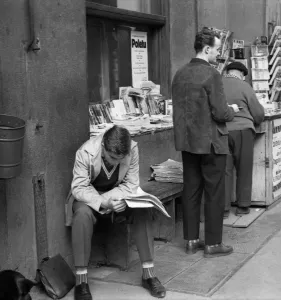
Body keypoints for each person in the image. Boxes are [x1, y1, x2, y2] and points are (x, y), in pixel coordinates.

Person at [65, 125, 166, 300]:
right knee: (81, 216)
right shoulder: (85, 152)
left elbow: (131, 184)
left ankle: (148, 274)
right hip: (89, 199)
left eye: (121, 158)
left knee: (142, 210)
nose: (116, 162)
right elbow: (79, 188)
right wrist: (104, 202)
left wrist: (114, 200)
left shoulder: (132, 149)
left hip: (118, 197)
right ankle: (81, 281)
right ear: (103, 145)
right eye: (112, 157)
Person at [171, 27, 239, 258]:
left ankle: (191, 240)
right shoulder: (212, 74)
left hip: (188, 143)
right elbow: (220, 113)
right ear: (207, 48)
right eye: (217, 50)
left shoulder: (179, 73)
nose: (218, 55)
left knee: (190, 190)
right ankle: (212, 243)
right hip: (211, 142)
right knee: (214, 193)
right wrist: (233, 110)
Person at [222, 62, 265, 217]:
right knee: (244, 169)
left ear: (227, 71)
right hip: (243, 132)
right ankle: (243, 207)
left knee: (224, 171)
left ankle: (224, 209)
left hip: (221, 132)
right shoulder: (245, 87)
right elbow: (258, 114)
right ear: (241, 74)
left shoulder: (216, 85)